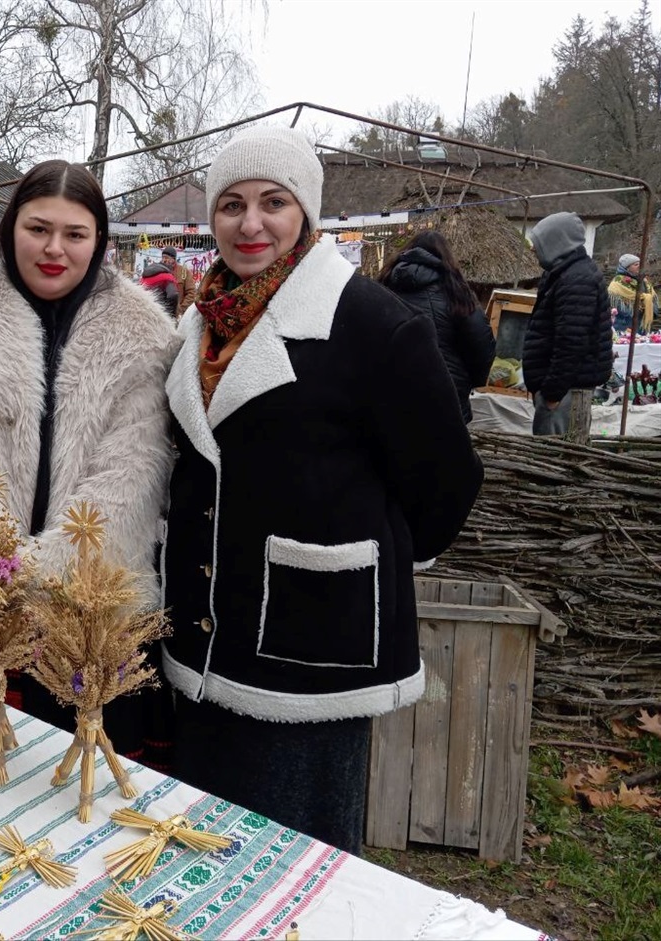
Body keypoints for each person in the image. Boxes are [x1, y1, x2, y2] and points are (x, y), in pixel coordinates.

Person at [161, 125, 482, 854]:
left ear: (306, 211)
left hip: (312, 654)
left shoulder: (374, 323)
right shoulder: (198, 323)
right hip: (206, 647)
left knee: (294, 868)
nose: (250, 223)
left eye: (273, 202)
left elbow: (447, 484)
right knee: (203, 864)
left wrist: (361, 555)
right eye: (232, 204)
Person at [0, 159, 179, 770]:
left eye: (75, 234)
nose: (55, 248)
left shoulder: (142, 334)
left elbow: (130, 477)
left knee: (84, 799)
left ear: (98, 241)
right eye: (38, 228)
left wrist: (32, 569)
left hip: (93, 613)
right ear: (10, 230)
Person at [380, 231, 497, 423]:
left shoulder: (383, 287)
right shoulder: (458, 294)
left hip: (391, 392)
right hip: (446, 394)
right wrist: (470, 382)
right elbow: (482, 348)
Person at [522, 212, 613, 437]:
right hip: (562, 388)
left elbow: (571, 342)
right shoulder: (564, 273)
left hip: (566, 391)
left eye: (539, 243)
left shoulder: (576, 280)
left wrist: (553, 393)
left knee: (554, 456)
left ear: (556, 242)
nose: (534, 249)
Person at [608, 252, 654, 335]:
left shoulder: (644, 281)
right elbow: (615, 304)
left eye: (640, 264)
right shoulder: (618, 282)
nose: (639, 266)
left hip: (641, 325)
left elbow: (652, 296)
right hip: (624, 325)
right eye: (636, 264)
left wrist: (648, 303)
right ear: (627, 267)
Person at [162, 245, 197, 315]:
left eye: (166, 258)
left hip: (179, 315)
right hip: (163, 314)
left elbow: (191, 293)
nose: (164, 260)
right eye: (163, 258)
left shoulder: (184, 271)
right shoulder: (160, 271)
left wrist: (181, 309)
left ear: (173, 259)